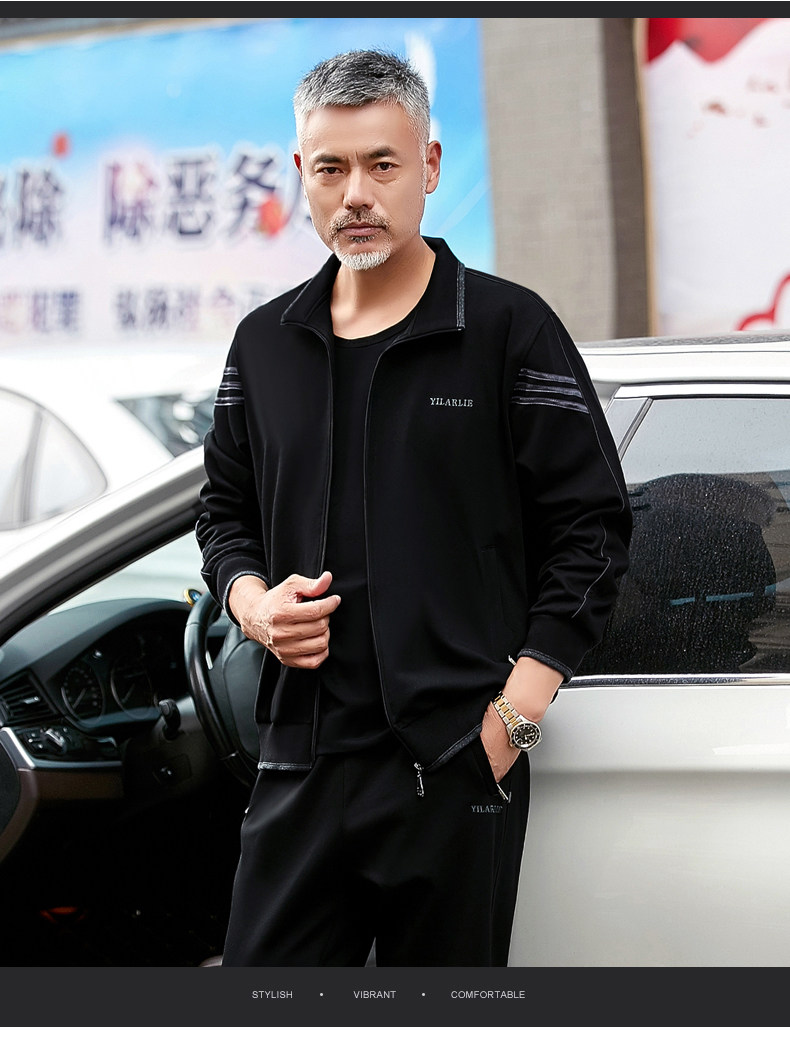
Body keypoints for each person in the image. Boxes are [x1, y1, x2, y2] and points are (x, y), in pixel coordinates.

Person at [196, 48, 631, 967]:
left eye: (381, 164)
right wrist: (254, 605)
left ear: (428, 167)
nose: (356, 194)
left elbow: (592, 530)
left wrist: (511, 720)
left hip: (455, 765)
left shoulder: (508, 330)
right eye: (331, 168)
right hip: (299, 762)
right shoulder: (264, 344)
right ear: (302, 175)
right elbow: (223, 513)